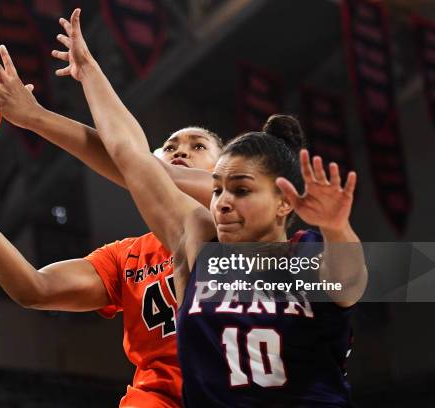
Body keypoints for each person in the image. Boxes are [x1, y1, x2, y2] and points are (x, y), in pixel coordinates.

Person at [53, 8, 367, 407]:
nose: (221, 202)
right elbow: (130, 157)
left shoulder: (304, 256)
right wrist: (89, 74)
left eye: (240, 190)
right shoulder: (198, 245)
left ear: (284, 202)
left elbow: (350, 282)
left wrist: (338, 228)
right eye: (216, 190)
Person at [0, 48, 221, 407]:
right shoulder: (127, 258)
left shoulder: (237, 223)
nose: (180, 150)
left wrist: (36, 115)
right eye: (170, 145)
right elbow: (32, 288)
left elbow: (133, 159)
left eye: (197, 145)